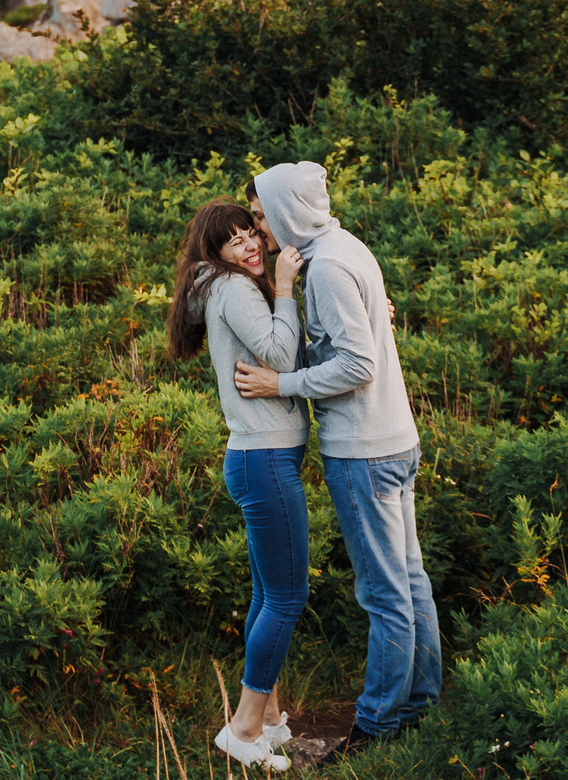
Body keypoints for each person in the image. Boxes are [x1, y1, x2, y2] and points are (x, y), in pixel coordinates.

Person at [234, 161, 439, 754]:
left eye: (263, 215)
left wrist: (282, 385)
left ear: (287, 210)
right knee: (410, 582)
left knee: (384, 594)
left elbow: (356, 366)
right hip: (396, 438)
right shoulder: (349, 247)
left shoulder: (326, 266)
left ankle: (375, 727)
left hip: (364, 452)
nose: (260, 229)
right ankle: (420, 704)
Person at [167, 196, 306, 771]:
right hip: (264, 460)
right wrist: (283, 289)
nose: (250, 246)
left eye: (251, 233)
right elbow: (279, 350)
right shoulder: (235, 289)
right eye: (235, 242)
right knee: (287, 597)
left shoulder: (220, 287)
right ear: (216, 253)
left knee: (266, 595)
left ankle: (269, 719)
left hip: (258, 458)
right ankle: (243, 729)